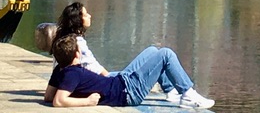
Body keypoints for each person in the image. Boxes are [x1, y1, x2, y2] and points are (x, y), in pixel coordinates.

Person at [46, 34, 214, 109]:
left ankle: (170, 91)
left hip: (121, 81)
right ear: (77, 54)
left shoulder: (60, 70)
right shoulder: (73, 73)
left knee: (152, 51)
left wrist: (76, 92)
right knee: (166, 54)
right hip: (128, 92)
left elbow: (48, 96)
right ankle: (188, 93)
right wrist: (87, 101)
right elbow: (58, 101)